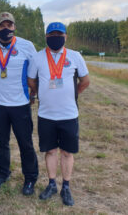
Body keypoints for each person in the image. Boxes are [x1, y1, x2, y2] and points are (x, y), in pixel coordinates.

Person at [27, 22, 90, 206]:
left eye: (59, 34)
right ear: (46, 36)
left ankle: (66, 187)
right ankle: (52, 183)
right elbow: (31, 81)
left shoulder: (75, 56)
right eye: (51, 34)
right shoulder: (38, 57)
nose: (55, 37)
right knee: (50, 151)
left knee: (67, 152)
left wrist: (72, 94)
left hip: (69, 114)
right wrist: (41, 93)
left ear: (65, 36)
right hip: (46, 114)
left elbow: (85, 81)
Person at [0, 12, 39, 196]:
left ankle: (30, 178)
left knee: (25, 144)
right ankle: (2, 174)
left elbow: (35, 73)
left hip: (20, 104)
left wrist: (34, 94)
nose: (6, 28)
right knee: (1, 143)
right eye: (2, 25)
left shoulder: (27, 46)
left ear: (14, 27)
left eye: (9, 25)